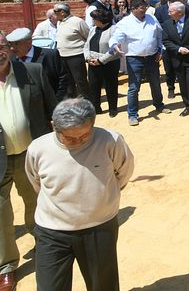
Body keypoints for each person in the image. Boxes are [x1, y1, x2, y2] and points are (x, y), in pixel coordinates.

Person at [25, 98, 134, 291]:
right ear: (54, 127)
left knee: (103, 285)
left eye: (85, 136)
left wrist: (102, 198)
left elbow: (123, 172)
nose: (78, 142)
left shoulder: (110, 140)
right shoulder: (38, 148)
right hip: (52, 230)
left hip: (99, 227)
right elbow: (36, 182)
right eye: (70, 138)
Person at [0, 31, 57, 290]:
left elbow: (52, 111)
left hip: (31, 155)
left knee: (37, 202)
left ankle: (44, 246)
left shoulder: (32, 71)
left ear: (10, 48)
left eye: (0, 46)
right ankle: (6, 266)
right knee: (1, 214)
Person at [110, 0, 169, 126]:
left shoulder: (151, 18)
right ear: (133, 9)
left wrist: (160, 49)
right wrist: (115, 46)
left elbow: (159, 35)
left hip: (152, 57)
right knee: (134, 87)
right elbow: (116, 37)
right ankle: (132, 114)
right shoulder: (125, 23)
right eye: (141, 10)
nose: (144, 13)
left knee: (155, 83)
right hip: (134, 58)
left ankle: (159, 105)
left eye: (145, 9)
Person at [7, 27, 69, 102]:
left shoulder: (50, 55)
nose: (12, 48)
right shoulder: (10, 59)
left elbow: (64, 79)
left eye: (17, 44)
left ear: (29, 42)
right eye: (10, 44)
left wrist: (57, 101)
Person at [84, 9, 121, 116]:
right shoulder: (93, 29)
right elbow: (86, 45)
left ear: (101, 20)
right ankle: (96, 108)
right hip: (92, 62)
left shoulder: (114, 29)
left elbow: (115, 49)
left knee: (111, 85)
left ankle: (112, 108)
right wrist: (87, 58)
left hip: (109, 62)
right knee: (94, 86)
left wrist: (101, 60)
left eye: (94, 19)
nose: (92, 21)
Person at [54, 2, 92, 100]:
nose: (54, 14)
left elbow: (88, 36)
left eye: (55, 11)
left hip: (76, 55)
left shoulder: (77, 21)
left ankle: (87, 101)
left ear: (62, 12)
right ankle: (72, 100)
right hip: (62, 55)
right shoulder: (59, 22)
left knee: (80, 80)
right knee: (67, 80)